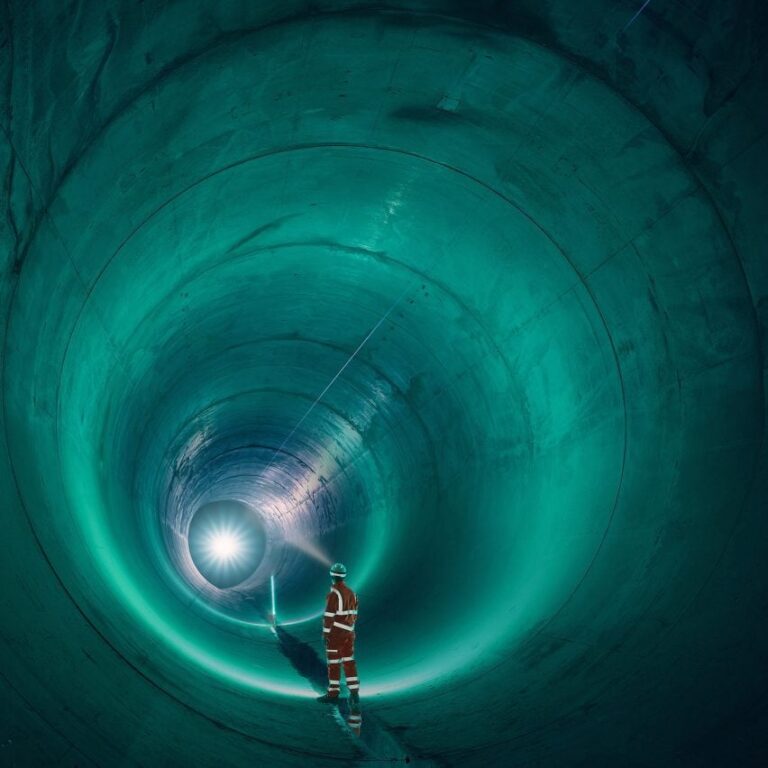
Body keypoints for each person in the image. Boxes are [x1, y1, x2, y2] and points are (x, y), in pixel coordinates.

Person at [317, 563, 361, 713]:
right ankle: (354, 694)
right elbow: (354, 615)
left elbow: (329, 616)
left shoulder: (334, 594)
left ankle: (333, 694)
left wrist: (325, 633)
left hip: (336, 634)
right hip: (349, 633)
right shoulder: (352, 593)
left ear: (332, 576)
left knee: (334, 664)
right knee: (349, 662)